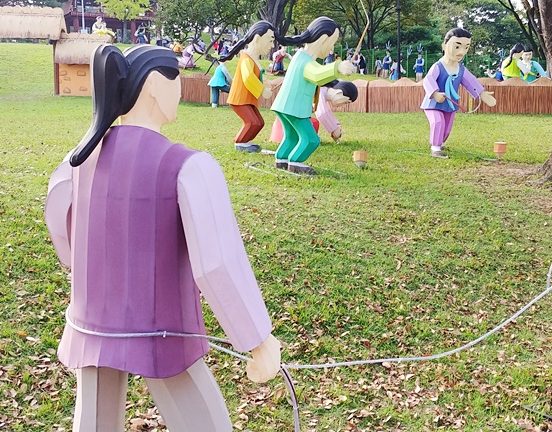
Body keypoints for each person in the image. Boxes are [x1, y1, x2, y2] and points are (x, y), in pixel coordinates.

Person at [44, 45, 281, 432]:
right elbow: (216, 262)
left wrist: (90, 267)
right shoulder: (187, 166)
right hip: (163, 328)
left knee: (94, 421)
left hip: (91, 324)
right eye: (176, 81)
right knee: (202, 423)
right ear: (154, 85)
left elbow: (59, 223)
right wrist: (257, 338)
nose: (181, 91)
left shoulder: (78, 159)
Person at [270, 16, 356, 174]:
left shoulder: (300, 56)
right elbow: (317, 74)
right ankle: (295, 162)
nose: (332, 48)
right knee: (311, 139)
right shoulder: (305, 61)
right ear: (323, 39)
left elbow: (317, 75)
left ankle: (281, 159)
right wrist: (337, 67)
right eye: (332, 42)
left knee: (291, 136)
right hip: (294, 108)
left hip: (284, 106)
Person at [421, 27, 497, 158]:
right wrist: (435, 93)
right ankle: (435, 147)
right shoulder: (438, 66)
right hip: (434, 103)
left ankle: (440, 142)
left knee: (446, 128)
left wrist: (482, 93)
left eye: (466, 48)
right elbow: (428, 80)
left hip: (450, 104)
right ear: (444, 46)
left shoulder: (461, 69)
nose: (461, 52)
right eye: (457, 47)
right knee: (438, 122)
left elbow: (471, 82)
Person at [222, 21, 278, 152]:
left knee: (259, 122)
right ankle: (240, 142)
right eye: (270, 41)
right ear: (257, 38)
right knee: (252, 122)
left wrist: (266, 83)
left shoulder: (252, 59)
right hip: (240, 99)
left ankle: (246, 142)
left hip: (247, 99)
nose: (272, 45)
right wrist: (262, 90)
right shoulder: (246, 58)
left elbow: (256, 77)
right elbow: (248, 78)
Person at [270, 79, 358, 145]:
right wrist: (334, 128)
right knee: (313, 134)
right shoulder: (321, 90)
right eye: (346, 102)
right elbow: (322, 113)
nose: (343, 105)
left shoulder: (322, 90)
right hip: (290, 115)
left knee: (313, 123)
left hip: (288, 113)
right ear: (339, 93)